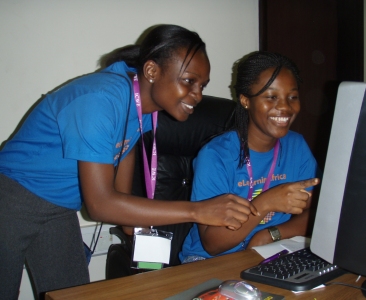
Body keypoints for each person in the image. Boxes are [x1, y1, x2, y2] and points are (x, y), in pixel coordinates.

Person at [0, 24, 257, 300]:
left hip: (59, 208)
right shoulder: (101, 100)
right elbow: (100, 204)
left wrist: (137, 230)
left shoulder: (143, 111)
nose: (198, 95)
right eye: (189, 81)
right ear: (151, 71)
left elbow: (119, 192)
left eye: (202, 86)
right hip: (12, 199)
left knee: (71, 295)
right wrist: (197, 211)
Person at [179, 51, 320, 263]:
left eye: (292, 97)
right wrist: (265, 203)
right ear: (245, 100)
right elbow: (213, 244)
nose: (285, 107)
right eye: (271, 97)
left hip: (272, 250)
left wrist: (270, 234)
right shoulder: (215, 156)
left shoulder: (296, 146)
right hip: (209, 261)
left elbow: (318, 213)